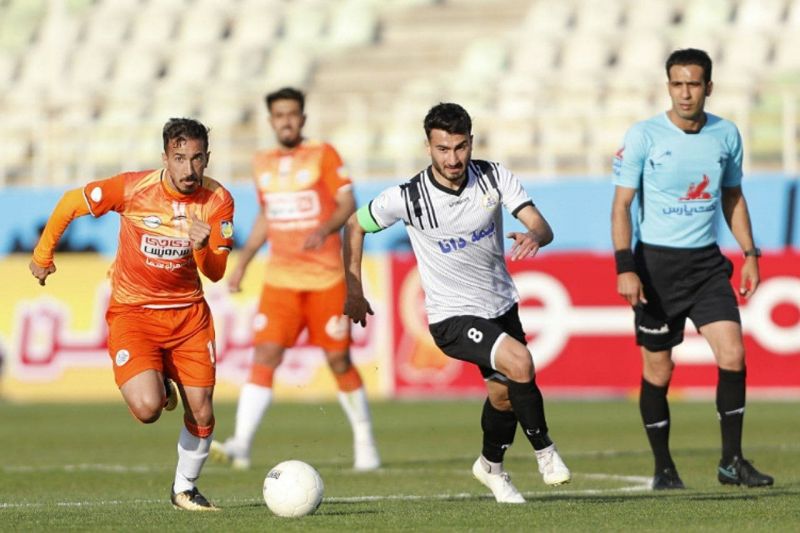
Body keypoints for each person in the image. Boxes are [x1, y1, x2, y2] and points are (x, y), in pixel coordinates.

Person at [343, 102, 571, 503]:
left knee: (503, 396)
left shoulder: (494, 177)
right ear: (428, 147)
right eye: (443, 149)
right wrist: (354, 289)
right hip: (451, 317)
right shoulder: (408, 197)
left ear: (471, 142)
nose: (453, 159)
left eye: (460, 147)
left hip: (501, 306)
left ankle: (491, 468)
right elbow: (354, 225)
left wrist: (535, 235)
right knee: (521, 362)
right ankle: (545, 452)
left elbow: (540, 224)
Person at [29, 118, 235, 510]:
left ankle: (184, 489)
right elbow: (72, 202)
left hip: (189, 318)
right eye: (179, 158)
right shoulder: (132, 188)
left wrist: (201, 247)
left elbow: (215, 272)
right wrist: (43, 254)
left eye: (196, 158)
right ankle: (160, 386)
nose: (189, 168)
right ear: (165, 158)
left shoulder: (217, 200)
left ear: (207, 159)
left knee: (203, 411)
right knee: (147, 409)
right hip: (134, 313)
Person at [611, 48, 774, 490]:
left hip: (705, 266)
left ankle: (732, 461)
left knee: (733, 354)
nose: (685, 93)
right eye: (677, 84)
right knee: (659, 372)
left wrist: (750, 253)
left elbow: (732, 196)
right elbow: (622, 205)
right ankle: (663, 467)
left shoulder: (726, 134)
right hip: (655, 268)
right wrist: (625, 266)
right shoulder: (643, 136)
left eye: (694, 84)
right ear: (669, 86)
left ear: (708, 87)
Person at [210, 87, 380, 471]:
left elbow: (347, 203)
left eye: (292, 114)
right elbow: (266, 216)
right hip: (281, 281)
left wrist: (325, 229)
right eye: (279, 115)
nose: (286, 121)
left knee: (338, 360)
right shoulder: (262, 162)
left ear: (302, 118)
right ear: (271, 121)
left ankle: (364, 441)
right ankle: (241, 444)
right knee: (265, 355)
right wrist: (243, 262)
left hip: (326, 279)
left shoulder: (323, 154)